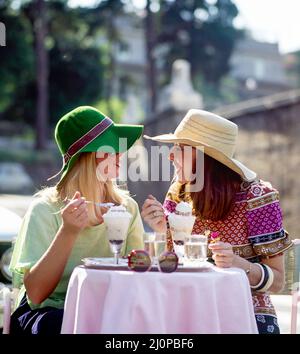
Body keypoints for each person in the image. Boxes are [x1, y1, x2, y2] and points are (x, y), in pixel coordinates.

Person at [142, 109, 292, 334]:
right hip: (189, 309)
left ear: (205, 159)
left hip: (246, 314)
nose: (170, 155)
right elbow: (171, 267)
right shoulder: (178, 194)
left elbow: (278, 281)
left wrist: (239, 265)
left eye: (180, 148)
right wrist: (163, 232)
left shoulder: (258, 197)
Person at [9, 106, 144, 334]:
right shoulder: (45, 209)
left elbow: (140, 275)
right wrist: (68, 232)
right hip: (49, 313)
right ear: (89, 156)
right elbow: (36, 294)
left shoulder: (127, 208)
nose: (120, 154)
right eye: (111, 147)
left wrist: (161, 233)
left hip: (108, 310)